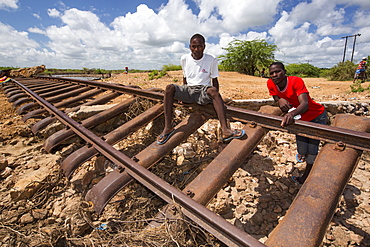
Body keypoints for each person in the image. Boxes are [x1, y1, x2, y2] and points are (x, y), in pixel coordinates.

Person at [157, 33, 245, 145]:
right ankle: (168, 127)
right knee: (169, 88)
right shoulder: (184, 58)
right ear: (190, 47)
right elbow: (185, 77)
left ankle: (225, 130)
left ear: (204, 46)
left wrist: (216, 99)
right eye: (194, 46)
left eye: (200, 46)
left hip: (203, 91)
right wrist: (183, 94)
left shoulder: (211, 59)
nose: (197, 49)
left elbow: (214, 81)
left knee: (213, 90)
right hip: (189, 90)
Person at [267, 62, 327, 184]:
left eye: (277, 71)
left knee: (312, 148)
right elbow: (275, 96)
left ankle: (307, 175)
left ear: (284, 72)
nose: (274, 75)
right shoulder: (270, 83)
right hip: (300, 118)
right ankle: (303, 156)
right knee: (302, 148)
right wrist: (279, 101)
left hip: (316, 116)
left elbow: (304, 104)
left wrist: (290, 114)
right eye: (272, 73)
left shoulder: (296, 81)